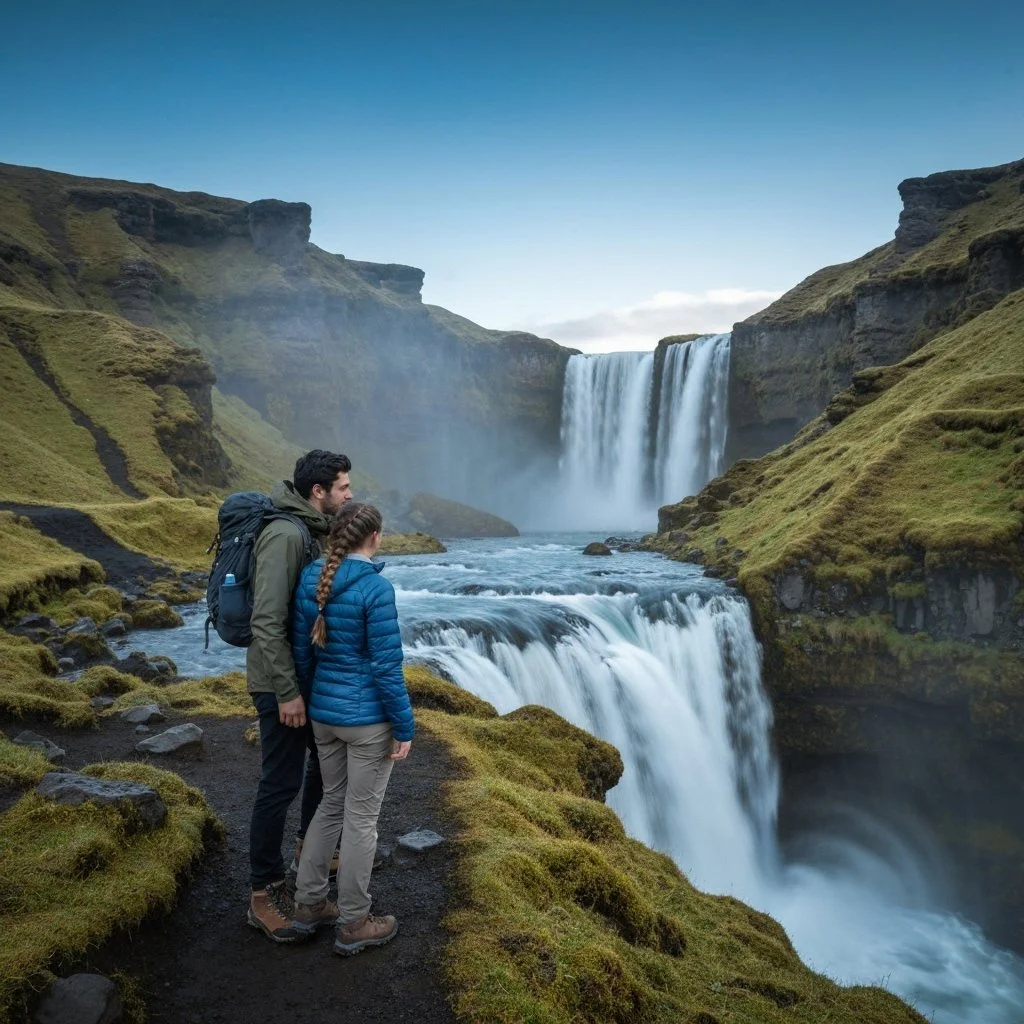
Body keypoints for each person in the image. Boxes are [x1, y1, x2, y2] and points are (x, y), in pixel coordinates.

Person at [289, 502, 415, 955]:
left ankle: (308, 906)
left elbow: (304, 656)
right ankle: (355, 921)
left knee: (329, 806)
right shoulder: (376, 588)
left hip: (324, 715)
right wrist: (404, 725)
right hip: (366, 724)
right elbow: (386, 667)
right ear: (375, 537)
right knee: (361, 821)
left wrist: (308, 700)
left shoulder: (311, 580)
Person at [247, 449, 353, 942]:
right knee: (279, 782)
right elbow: (265, 621)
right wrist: (287, 693)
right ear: (319, 492)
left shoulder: (308, 530)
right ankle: (263, 895)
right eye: (343, 487)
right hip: (278, 684)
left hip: (303, 679)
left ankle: (305, 865)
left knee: (323, 769)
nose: (349, 495)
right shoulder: (286, 536)